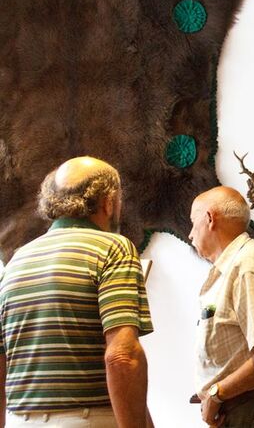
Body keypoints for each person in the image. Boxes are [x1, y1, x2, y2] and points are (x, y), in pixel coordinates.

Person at [0, 156, 153, 427]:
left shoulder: (16, 261)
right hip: (88, 418)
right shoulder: (113, 248)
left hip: (21, 420)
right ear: (109, 202)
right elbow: (121, 356)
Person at [190, 186, 254, 427]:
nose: (190, 234)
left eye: (193, 222)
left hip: (253, 410)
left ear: (209, 218)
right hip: (244, 408)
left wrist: (216, 394)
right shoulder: (235, 265)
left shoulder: (248, 265)